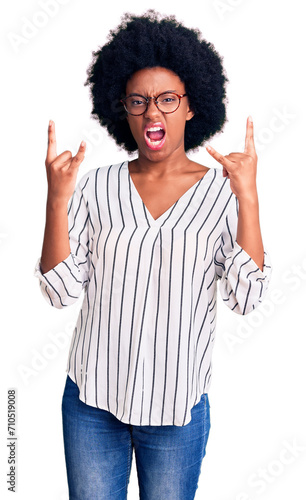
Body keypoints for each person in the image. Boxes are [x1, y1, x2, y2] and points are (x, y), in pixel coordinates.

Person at [33, 10, 272, 500]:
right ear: (122, 109)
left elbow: (247, 298)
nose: (152, 113)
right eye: (138, 101)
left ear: (191, 107)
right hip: (92, 403)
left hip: (176, 411)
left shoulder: (222, 193)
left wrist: (247, 194)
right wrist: (58, 198)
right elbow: (59, 292)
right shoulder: (97, 186)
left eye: (166, 99)